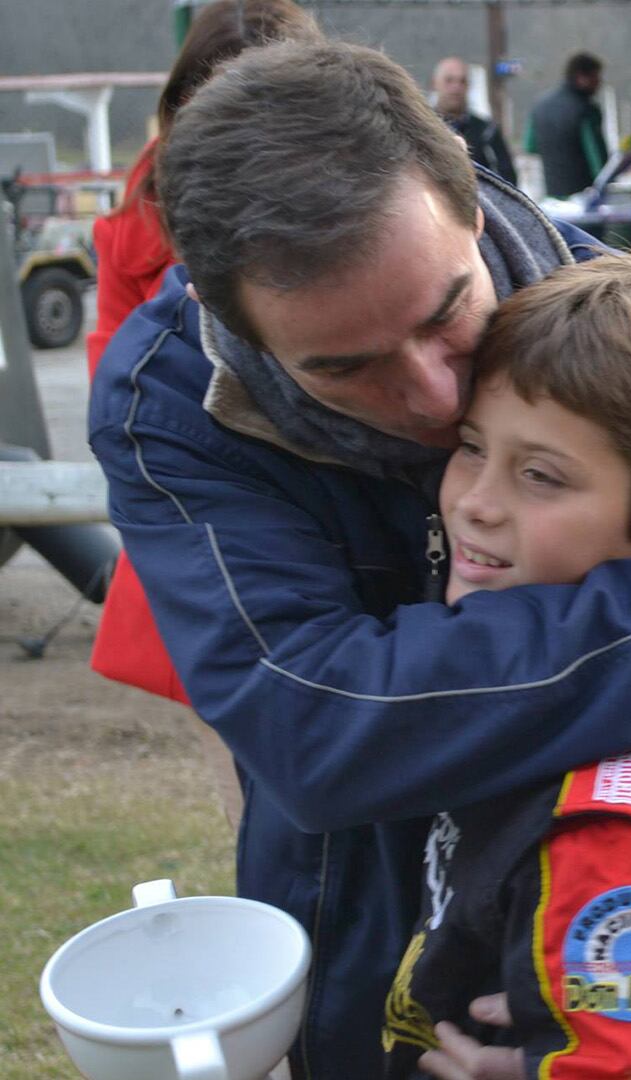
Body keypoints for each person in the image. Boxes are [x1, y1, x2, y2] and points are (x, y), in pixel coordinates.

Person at [89, 39, 631, 1080]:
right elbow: (313, 724)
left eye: (448, 316)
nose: (439, 403)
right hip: (366, 990)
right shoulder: (172, 398)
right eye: (343, 369)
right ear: (236, 324)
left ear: (473, 205)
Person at [380, 255, 631, 1080]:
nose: (475, 502)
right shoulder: (575, 682)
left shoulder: (606, 830)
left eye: (540, 475)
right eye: (471, 447)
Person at [83, 0, 321, 825]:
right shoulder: (141, 210)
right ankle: (262, 912)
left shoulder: (343, 197)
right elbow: (113, 369)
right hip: (212, 512)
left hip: (329, 512)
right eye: (204, 101)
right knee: (239, 740)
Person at [528, 51, 609, 199]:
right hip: (583, 198)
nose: (599, 82)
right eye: (596, 77)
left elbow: (530, 146)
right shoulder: (586, 109)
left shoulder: (539, 106)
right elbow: (597, 159)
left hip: (551, 197)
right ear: (582, 77)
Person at [431, 56, 519, 188]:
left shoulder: (487, 131)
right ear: (434, 84)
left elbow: (507, 180)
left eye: (462, 81)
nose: (456, 87)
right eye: (449, 80)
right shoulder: (424, 128)